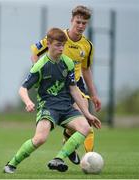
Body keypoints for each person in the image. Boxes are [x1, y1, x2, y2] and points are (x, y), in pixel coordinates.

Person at [3, 28, 101, 174]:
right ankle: (11, 164)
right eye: (57, 45)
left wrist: (87, 113)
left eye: (63, 45)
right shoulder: (40, 66)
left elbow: (74, 89)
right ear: (48, 44)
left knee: (85, 127)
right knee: (40, 139)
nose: (61, 48)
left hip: (66, 107)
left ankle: (58, 159)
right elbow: (22, 89)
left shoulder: (68, 63)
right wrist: (28, 102)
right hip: (48, 107)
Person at [31, 5, 101, 164]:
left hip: (75, 85)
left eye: (84, 23)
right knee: (75, 124)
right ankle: (68, 145)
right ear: (71, 20)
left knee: (85, 120)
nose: (81, 26)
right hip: (57, 87)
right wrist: (39, 75)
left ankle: (88, 158)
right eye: (78, 22)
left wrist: (94, 94)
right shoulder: (58, 37)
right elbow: (35, 52)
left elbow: (86, 69)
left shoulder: (87, 46)